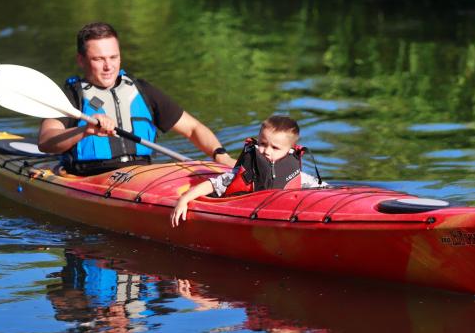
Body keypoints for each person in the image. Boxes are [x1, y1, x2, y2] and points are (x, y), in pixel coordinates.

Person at [37, 22, 234, 174]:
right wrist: (84, 131)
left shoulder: (142, 90)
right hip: (91, 177)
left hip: (142, 174)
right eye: (98, 59)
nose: (108, 66)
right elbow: (46, 142)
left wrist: (220, 155)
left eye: (113, 57)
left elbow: (193, 129)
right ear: (81, 60)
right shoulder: (71, 96)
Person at [171, 115, 325, 227]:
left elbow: (320, 187)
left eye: (275, 148)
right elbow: (214, 184)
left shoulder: (294, 172)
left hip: (277, 219)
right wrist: (184, 199)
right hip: (242, 214)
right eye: (263, 143)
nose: (266, 151)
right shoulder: (246, 172)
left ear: (290, 149)